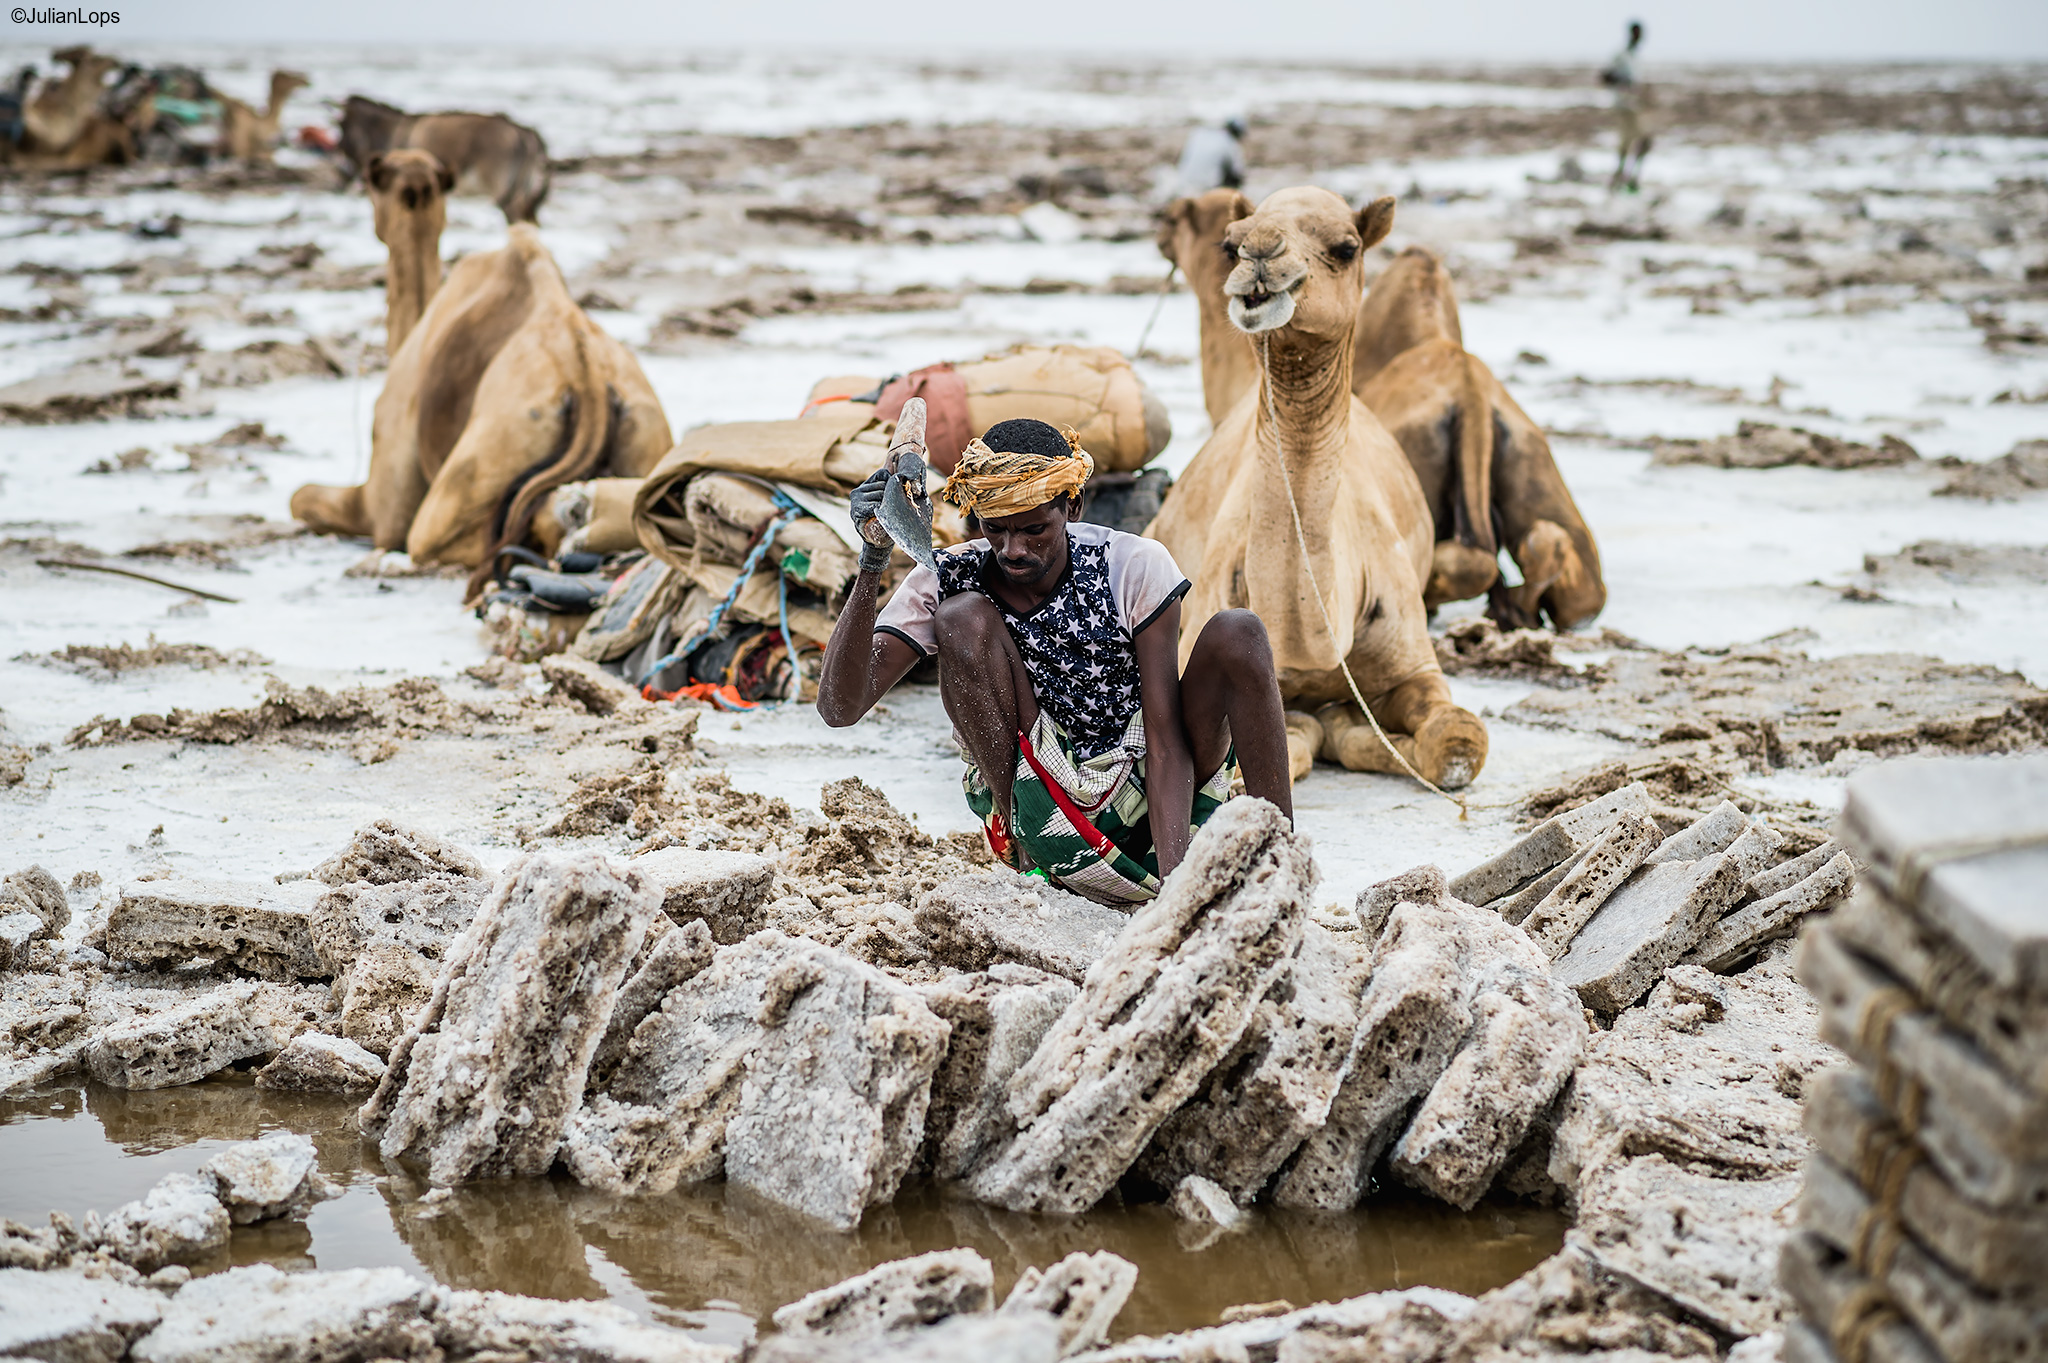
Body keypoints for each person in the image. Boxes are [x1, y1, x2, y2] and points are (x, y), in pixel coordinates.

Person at [817, 418, 1293, 906]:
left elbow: (1165, 737)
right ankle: (1034, 857)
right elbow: (839, 708)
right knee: (960, 617)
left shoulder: (1131, 565)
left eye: (1034, 530)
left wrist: (1176, 895)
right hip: (1041, 806)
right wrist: (873, 558)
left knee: (1239, 633)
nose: (1013, 550)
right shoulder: (947, 578)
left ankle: (1282, 866)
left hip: (1157, 790)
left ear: (1073, 506)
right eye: (995, 529)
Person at [1602, 21, 1651, 193]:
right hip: (1623, 106)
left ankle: (1626, 178)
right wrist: (1622, 82)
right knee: (1634, 141)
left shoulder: (1636, 58)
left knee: (1639, 142)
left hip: (1635, 105)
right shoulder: (1621, 57)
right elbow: (1605, 76)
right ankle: (1623, 179)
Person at [1174, 117, 1246, 196]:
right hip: (1206, 190)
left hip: (1182, 186)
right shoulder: (1229, 142)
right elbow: (1238, 173)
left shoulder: (1198, 133)